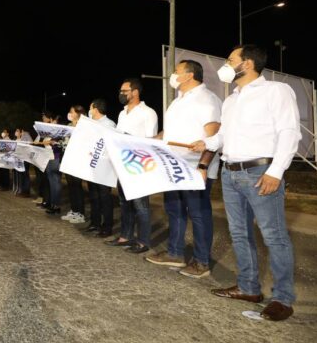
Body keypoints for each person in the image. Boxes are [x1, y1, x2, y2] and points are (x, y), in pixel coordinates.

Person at [190, 45, 301, 321]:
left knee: (273, 236)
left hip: (260, 171)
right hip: (230, 173)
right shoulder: (231, 99)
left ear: (248, 63)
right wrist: (206, 143)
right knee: (239, 233)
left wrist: (276, 171)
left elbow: (289, 132)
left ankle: (283, 298)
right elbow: (223, 137)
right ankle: (249, 287)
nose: (226, 65)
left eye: (230, 60)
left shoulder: (276, 91)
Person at [146, 60, 222, 278]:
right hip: (173, 166)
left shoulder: (207, 100)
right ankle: (175, 253)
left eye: (176, 72)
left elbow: (214, 136)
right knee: (174, 209)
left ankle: (201, 262)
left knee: (198, 213)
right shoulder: (178, 101)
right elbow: (169, 132)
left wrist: (203, 165)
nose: (173, 76)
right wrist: (151, 140)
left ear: (189, 75)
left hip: (194, 168)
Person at [106, 78, 158, 254]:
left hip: (138, 164)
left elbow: (152, 141)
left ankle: (143, 241)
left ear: (135, 92)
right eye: (121, 91)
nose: (121, 94)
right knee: (125, 202)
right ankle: (125, 236)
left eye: (124, 91)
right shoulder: (122, 114)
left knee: (140, 205)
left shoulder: (148, 113)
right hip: (122, 163)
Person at [84, 99, 117, 237]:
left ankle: (107, 226)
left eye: (90, 108)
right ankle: (95, 223)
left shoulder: (109, 124)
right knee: (93, 196)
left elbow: (111, 145)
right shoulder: (90, 124)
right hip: (92, 166)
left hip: (104, 166)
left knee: (104, 197)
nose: (89, 111)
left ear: (96, 109)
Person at [61, 105, 87, 224]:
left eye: (71, 111)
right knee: (71, 186)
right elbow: (64, 142)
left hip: (78, 160)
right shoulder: (69, 126)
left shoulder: (85, 125)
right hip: (68, 159)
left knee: (77, 187)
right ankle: (74, 210)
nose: (69, 113)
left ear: (78, 113)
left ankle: (80, 213)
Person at [15, 127, 33, 197]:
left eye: (18, 130)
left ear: (21, 130)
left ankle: (26, 192)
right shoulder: (22, 136)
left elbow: (31, 143)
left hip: (25, 158)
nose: (16, 132)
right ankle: (23, 191)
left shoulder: (25, 134)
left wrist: (24, 134)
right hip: (20, 158)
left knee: (25, 175)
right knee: (22, 175)